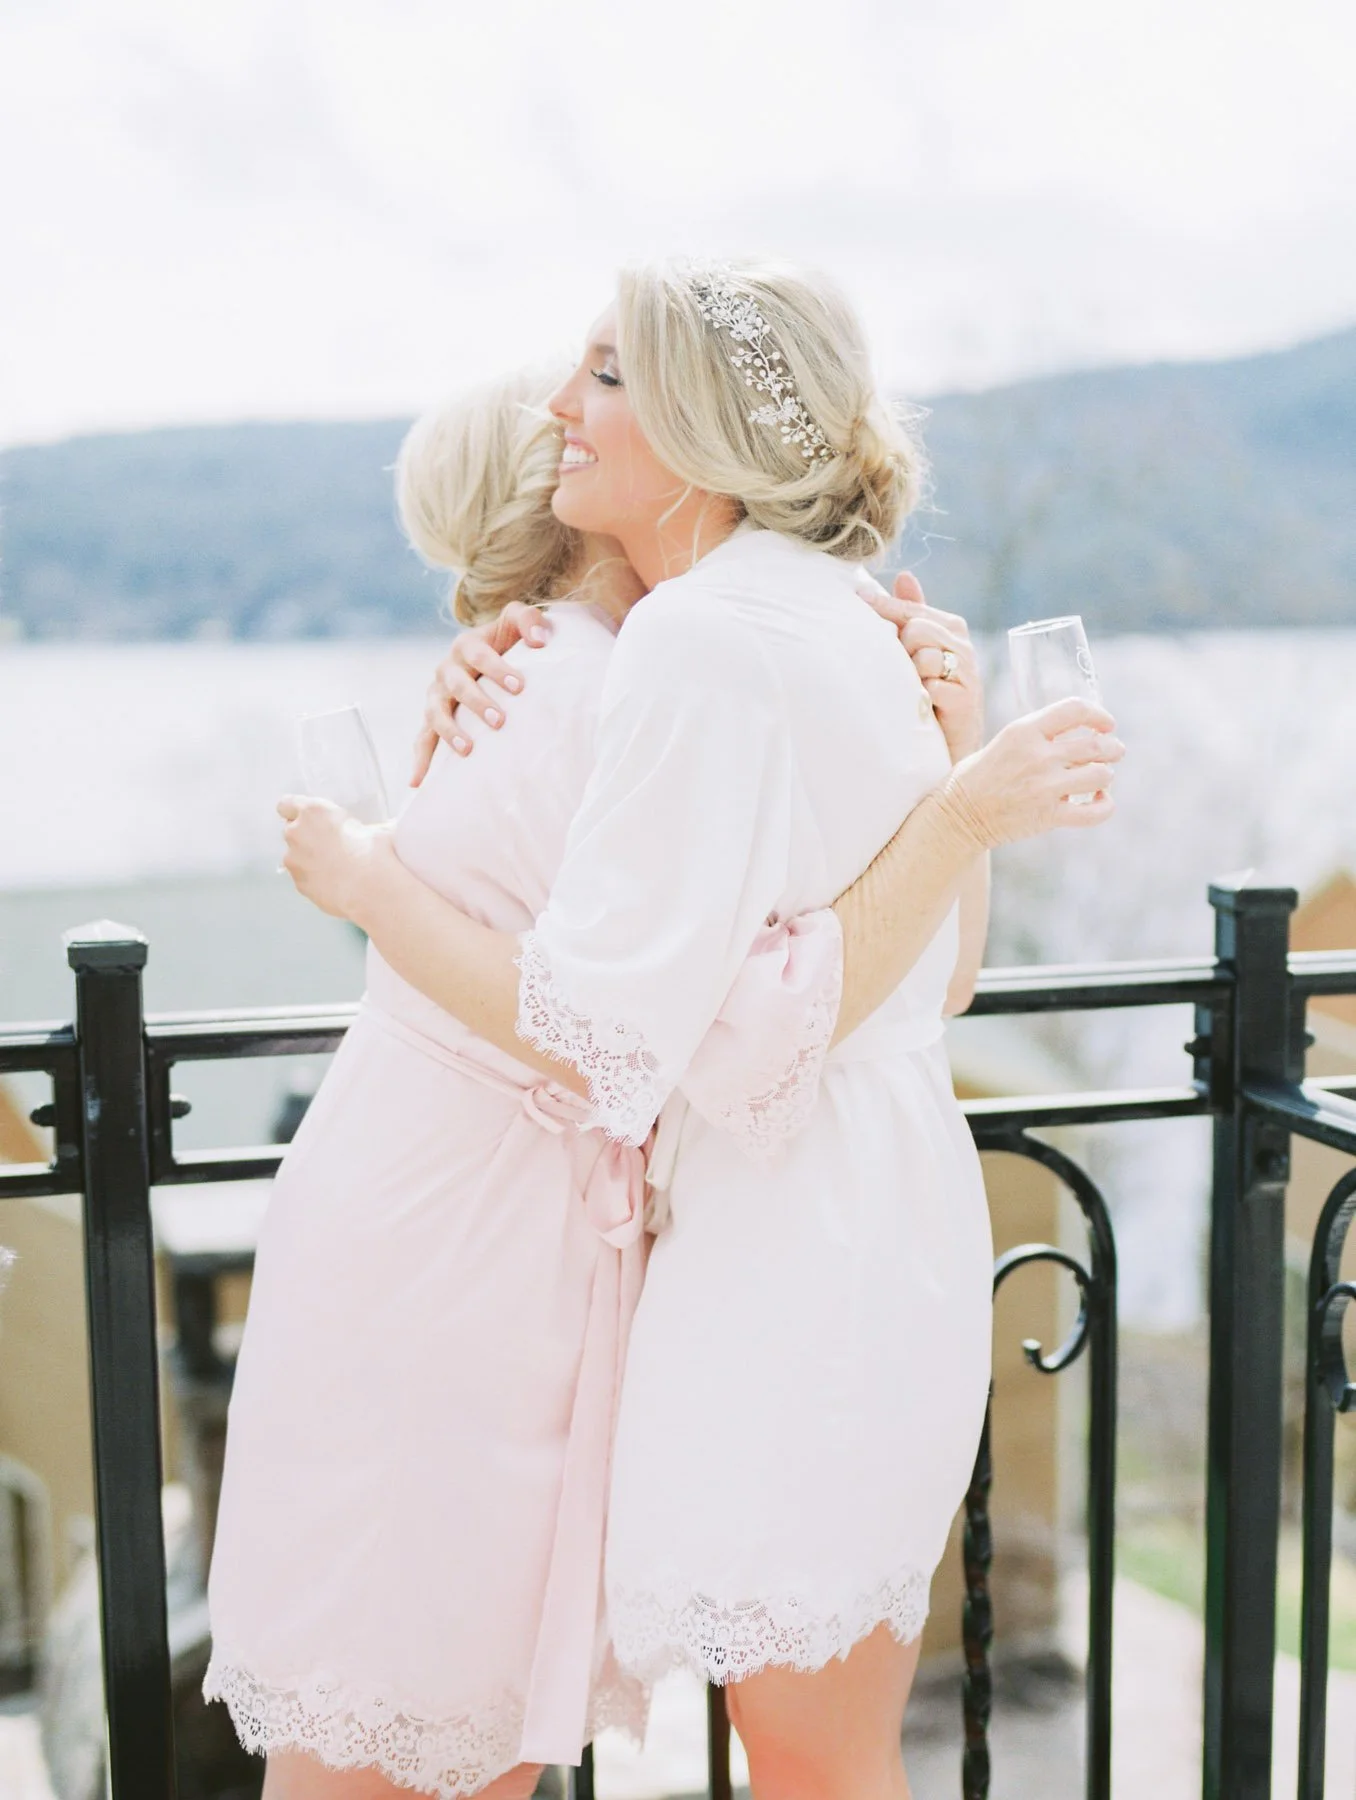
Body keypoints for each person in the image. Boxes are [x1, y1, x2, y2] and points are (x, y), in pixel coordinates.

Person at [280, 257, 1121, 1800]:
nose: (560, 406)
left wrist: (373, 883)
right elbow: (934, 985)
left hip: (784, 1233)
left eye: (603, 376)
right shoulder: (846, 620)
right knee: (823, 1754)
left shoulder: (701, 643)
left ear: (693, 419)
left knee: (798, 1755)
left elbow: (622, 1038)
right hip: (889, 1209)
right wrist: (963, 797)